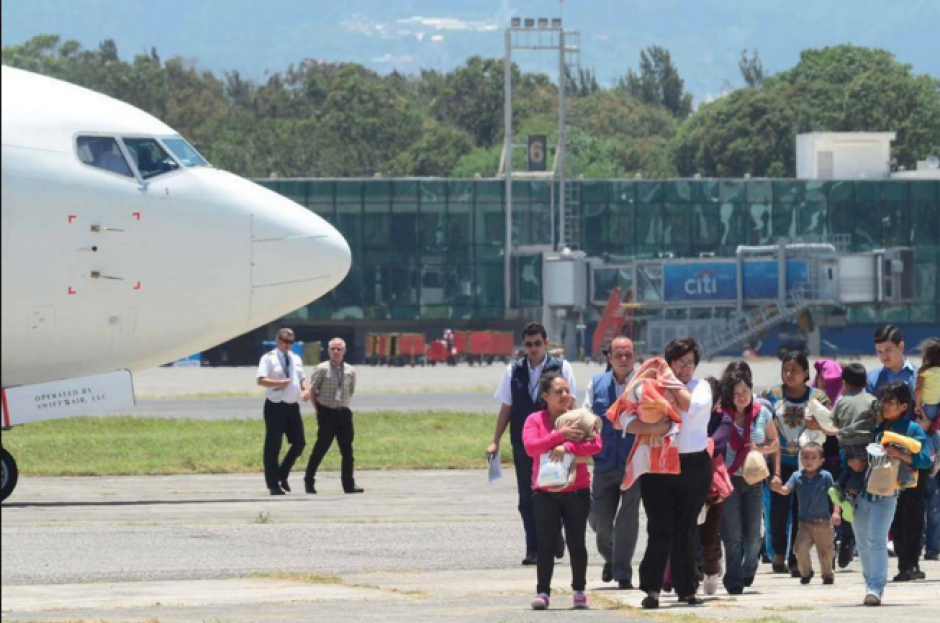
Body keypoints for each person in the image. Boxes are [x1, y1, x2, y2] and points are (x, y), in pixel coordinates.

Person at [628, 338, 713, 609]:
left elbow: (689, 406)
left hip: (693, 464)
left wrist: (669, 382)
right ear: (669, 362)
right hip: (658, 465)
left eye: (690, 363)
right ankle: (652, 588)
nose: (685, 368)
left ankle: (687, 588)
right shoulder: (648, 386)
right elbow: (626, 419)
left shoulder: (702, 388)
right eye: (679, 362)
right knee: (660, 528)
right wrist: (651, 428)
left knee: (686, 529)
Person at [488, 322, 577, 565]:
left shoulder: (562, 367)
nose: (533, 348)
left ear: (546, 343)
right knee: (528, 497)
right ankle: (534, 549)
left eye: (537, 343)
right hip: (525, 443)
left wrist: (574, 437)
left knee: (556, 492)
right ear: (523, 345)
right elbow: (506, 407)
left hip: (556, 441)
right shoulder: (513, 370)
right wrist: (494, 441)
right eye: (528, 344)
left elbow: (573, 405)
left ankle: (555, 534)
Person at [524, 372, 602, 611]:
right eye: (559, 392)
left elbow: (596, 444)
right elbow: (531, 447)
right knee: (545, 543)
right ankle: (543, 592)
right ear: (545, 396)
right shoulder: (535, 420)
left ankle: (579, 590)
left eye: (568, 391)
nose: (565, 396)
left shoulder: (579, 417)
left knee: (577, 542)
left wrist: (566, 445)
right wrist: (560, 434)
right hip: (545, 491)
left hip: (576, 490)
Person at [855, 381, 931, 606]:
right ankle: (869, 582)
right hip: (861, 491)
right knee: (862, 542)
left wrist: (898, 453)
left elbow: (925, 459)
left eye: (891, 402)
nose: (885, 406)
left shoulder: (912, 429)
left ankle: (876, 587)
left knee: (877, 539)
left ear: (904, 406)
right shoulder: (874, 426)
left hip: (888, 493)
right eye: (883, 401)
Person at [763, 352, 832, 576]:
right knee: (777, 511)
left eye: (794, 370)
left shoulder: (819, 398)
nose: (789, 374)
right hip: (778, 462)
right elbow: (762, 424)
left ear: (805, 373)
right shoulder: (772, 395)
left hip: (808, 465)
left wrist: (818, 425)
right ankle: (778, 554)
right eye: (786, 370)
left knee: (800, 511)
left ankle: (795, 557)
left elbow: (833, 428)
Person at [583, 336, 640, 589]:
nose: (624, 359)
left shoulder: (645, 386)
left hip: (633, 463)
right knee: (598, 520)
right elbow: (585, 417)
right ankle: (611, 557)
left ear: (635, 355)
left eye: (628, 354)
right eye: (618, 354)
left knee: (627, 521)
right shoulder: (596, 384)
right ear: (609, 357)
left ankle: (623, 572)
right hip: (604, 463)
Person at [720, 370, 780, 595]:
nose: (741, 396)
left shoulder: (762, 413)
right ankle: (733, 576)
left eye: (745, 391)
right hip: (730, 479)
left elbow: (775, 443)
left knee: (754, 535)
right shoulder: (722, 415)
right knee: (732, 533)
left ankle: (749, 568)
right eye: (736, 393)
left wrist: (760, 449)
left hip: (754, 479)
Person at [770, 442, 836, 586]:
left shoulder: (826, 476)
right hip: (804, 523)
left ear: (821, 461)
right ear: (800, 459)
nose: (809, 461)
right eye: (805, 457)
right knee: (799, 549)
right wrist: (777, 488)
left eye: (813, 458)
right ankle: (806, 572)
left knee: (826, 552)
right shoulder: (797, 476)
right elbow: (786, 490)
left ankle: (827, 574)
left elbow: (834, 496)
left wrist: (836, 512)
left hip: (824, 521)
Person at [303, 338, 363, 494]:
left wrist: (342, 405)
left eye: (339, 349)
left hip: (343, 413)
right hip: (327, 412)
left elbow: (351, 390)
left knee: (347, 451)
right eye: (333, 349)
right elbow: (313, 391)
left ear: (344, 351)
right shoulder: (321, 368)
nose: (336, 352)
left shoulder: (350, 370)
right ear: (329, 351)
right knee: (321, 448)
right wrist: (318, 409)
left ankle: (348, 484)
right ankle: (309, 480)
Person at [256, 328, 309, 496]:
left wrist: (305, 390)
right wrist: (278, 382)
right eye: (285, 341)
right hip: (275, 405)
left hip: (292, 405)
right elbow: (261, 380)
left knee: (299, 443)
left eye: (291, 342)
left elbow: (301, 377)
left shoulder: (295, 358)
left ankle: (282, 473)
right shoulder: (269, 358)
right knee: (273, 446)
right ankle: (273, 484)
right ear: (278, 340)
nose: (288, 345)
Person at [828, 363, 878, 511]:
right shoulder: (870, 399)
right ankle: (850, 498)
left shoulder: (841, 401)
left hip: (844, 442)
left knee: (851, 466)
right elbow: (878, 418)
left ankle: (838, 486)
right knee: (859, 469)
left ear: (844, 383)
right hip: (862, 440)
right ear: (866, 383)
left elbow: (835, 422)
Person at [700, 375, 733, 596]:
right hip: (686, 481)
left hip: (712, 484)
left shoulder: (724, 420)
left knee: (710, 535)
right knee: (685, 533)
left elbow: (716, 444)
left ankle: (711, 572)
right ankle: (687, 575)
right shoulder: (687, 415)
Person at [914, 338, 940, 562]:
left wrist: (916, 406)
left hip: (927, 408)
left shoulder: (924, 373)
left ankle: (933, 458)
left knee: (925, 434)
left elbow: (919, 389)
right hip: (937, 409)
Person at [867, 325, 918, 396]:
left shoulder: (918, 376)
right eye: (879, 351)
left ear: (901, 346)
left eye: (888, 350)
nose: (884, 356)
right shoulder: (871, 379)